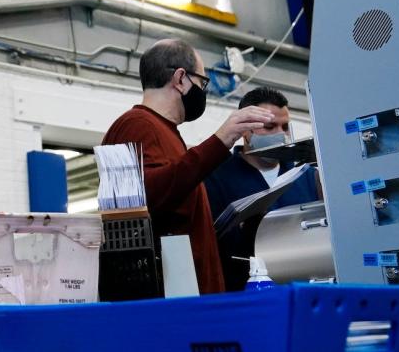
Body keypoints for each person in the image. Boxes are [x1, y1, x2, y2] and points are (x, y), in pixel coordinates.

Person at [101, 39, 274, 295]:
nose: (203, 91)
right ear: (180, 79)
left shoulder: (161, 131)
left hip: (188, 297)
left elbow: (173, 205)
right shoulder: (136, 126)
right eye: (202, 82)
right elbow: (146, 198)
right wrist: (220, 141)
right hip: (172, 304)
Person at [204, 86, 319, 291]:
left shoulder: (306, 176)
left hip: (301, 291)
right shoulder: (216, 177)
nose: (280, 135)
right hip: (243, 294)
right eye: (269, 127)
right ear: (245, 131)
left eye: (285, 127)